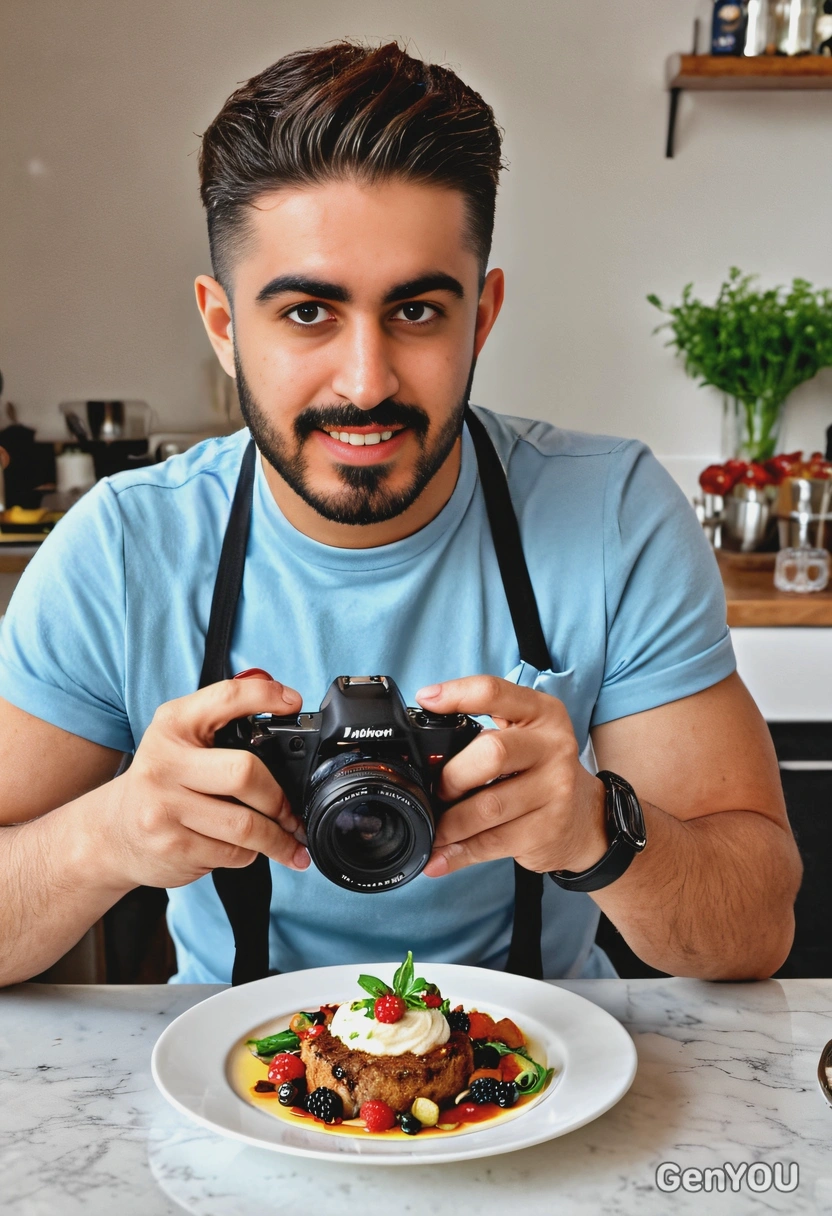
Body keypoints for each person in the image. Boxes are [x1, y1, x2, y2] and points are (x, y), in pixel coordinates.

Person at [0, 42, 800, 988]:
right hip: (228, 1087)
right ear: (223, 327)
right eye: (307, 313)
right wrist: (108, 834)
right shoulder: (125, 547)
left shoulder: (614, 513)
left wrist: (594, 825)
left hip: (545, 1079)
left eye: (418, 311)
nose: (366, 381)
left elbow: (754, 931)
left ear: (483, 316)